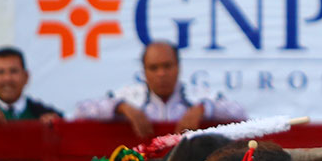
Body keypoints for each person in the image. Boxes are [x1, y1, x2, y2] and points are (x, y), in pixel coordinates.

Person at [73, 41, 246, 139]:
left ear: (178, 67)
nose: (161, 74)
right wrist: (123, 108)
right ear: (144, 71)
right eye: (154, 68)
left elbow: (240, 112)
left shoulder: (198, 96)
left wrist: (202, 109)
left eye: (167, 66)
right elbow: (81, 110)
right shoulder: (130, 97)